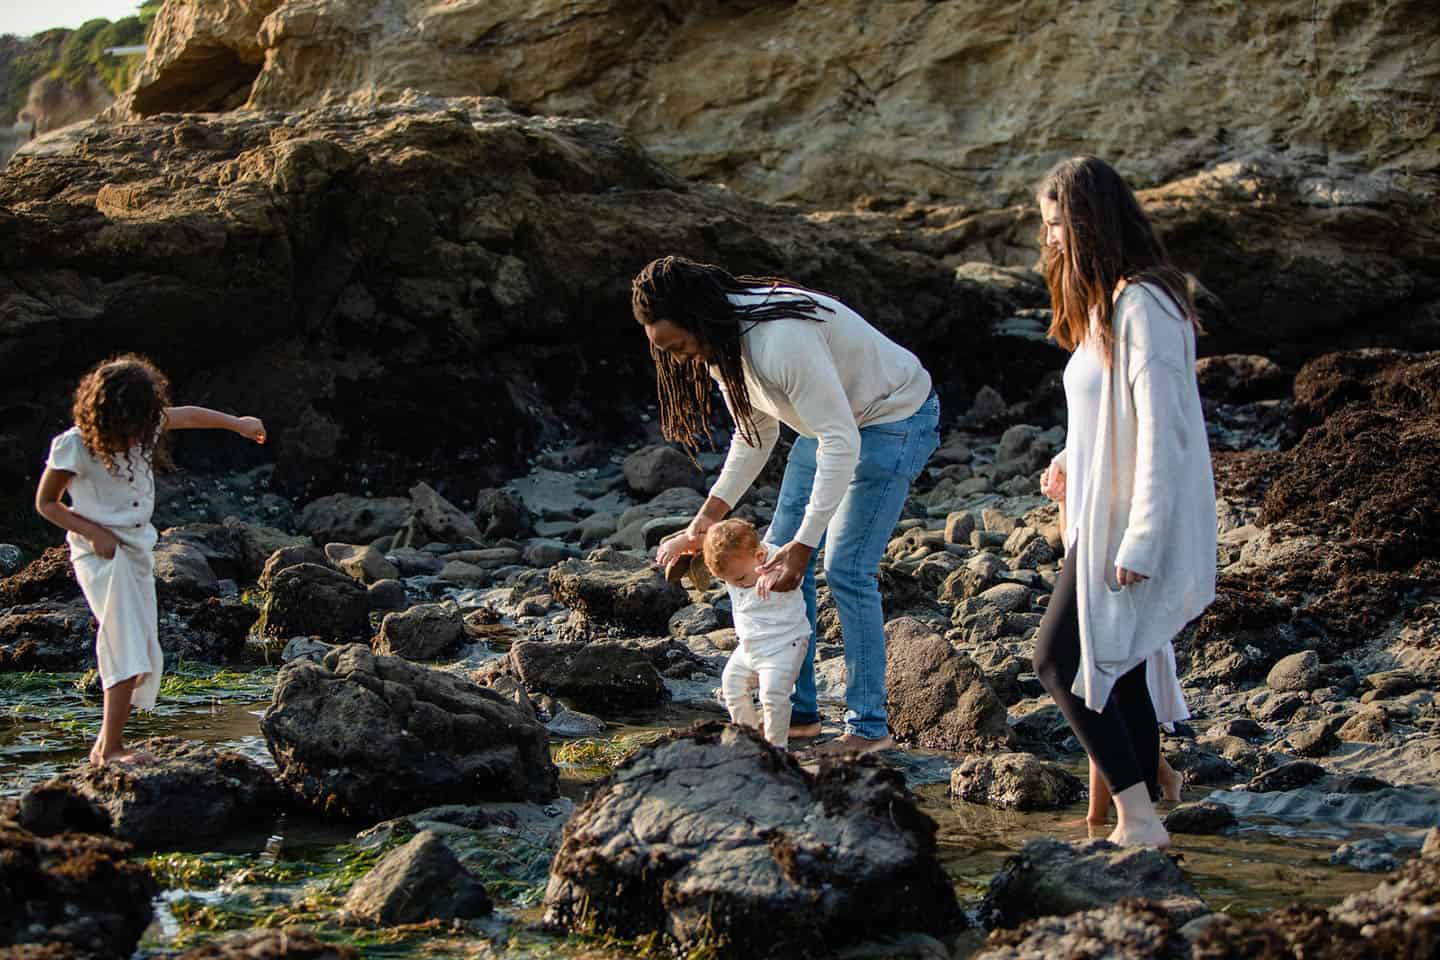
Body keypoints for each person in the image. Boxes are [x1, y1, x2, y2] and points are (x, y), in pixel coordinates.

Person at [634, 255, 939, 756]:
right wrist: (702, 524)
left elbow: (842, 443)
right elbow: (755, 436)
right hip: (830, 423)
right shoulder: (721, 347)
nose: (680, 360)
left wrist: (805, 544)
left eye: (679, 347)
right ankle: (798, 714)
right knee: (772, 559)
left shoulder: (779, 340)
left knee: (845, 567)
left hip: (895, 416)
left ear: (698, 317)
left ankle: (868, 728)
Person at [1030, 156, 1216, 848]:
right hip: (1101, 510)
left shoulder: (1145, 306)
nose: (1048, 241)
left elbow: (1164, 433)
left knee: (1056, 658)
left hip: (1130, 522)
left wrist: (1141, 539)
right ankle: (1147, 818)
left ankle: (1138, 819)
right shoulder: (1113, 301)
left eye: (1055, 226)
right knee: (1122, 663)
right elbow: (1109, 413)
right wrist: (1070, 458)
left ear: (1086, 224)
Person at [34, 354, 266, 766]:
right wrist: (94, 533)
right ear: (103, 417)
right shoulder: (74, 444)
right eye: (128, 428)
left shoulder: (147, 423)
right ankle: (110, 748)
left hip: (137, 547)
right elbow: (47, 503)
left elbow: (191, 416)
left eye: (143, 425)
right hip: (101, 553)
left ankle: (104, 746)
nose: (136, 437)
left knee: (142, 651)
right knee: (125, 646)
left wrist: (238, 424)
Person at [705, 519, 810, 749]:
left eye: (740, 579)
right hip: (750, 644)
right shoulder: (737, 567)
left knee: (772, 694)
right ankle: (749, 742)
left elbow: (794, 570)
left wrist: (778, 574)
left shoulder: (776, 561)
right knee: (731, 684)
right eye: (727, 581)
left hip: (784, 644)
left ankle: (776, 749)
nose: (736, 585)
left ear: (760, 556)